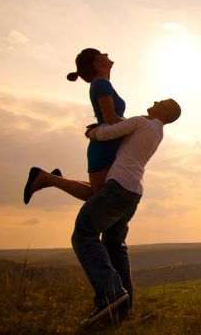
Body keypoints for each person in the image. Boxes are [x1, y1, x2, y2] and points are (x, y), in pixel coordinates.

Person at [26, 99, 181, 326]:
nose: (156, 101)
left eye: (162, 102)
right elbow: (121, 127)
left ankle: (110, 295)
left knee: (83, 234)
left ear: (165, 111)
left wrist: (92, 132)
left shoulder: (142, 122)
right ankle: (123, 308)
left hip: (118, 188)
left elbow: (107, 133)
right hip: (132, 193)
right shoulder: (156, 131)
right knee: (114, 246)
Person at [23, 48, 125, 204]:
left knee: (100, 193)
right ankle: (45, 177)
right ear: (96, 63)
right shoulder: (101, 84)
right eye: (102, 54)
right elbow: (110, 118)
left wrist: (102, 123)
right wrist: (140, 124)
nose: (106, 55)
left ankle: (52, 178)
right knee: (99, 196)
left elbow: (108, 118)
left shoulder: (103, 84)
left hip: (107, 143)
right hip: (104, 147)